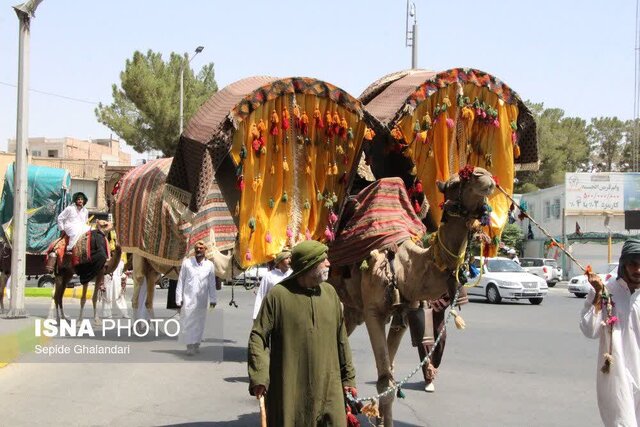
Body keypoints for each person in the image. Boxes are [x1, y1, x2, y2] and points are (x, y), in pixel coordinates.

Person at [248, 240, 357, 426]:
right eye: (323, 260)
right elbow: (258, 337)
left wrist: (349, 378)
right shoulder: (278, 296)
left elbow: (342, 339)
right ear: (309, 265)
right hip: (291, 388)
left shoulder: (330, 293)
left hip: (329, 386)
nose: (329, 263)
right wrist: (259, 376)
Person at [580, 238, 640, 426]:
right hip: (617, 375)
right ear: (623, 264)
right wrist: (598, 295)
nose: (638, 270)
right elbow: (590, 330)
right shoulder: (605, 289)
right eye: (633, 264)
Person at [175, 240, 218, 356]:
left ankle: (196, 344)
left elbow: (211, 284)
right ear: (194, 250)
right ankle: (189, 345)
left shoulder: (209, 265)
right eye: (197, 248)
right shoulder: (187, 263)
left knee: (199, 322)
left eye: (201, 248)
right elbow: (181, 281)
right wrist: (178, 299)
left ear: (205, 250)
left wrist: (213, 299)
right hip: (188, 298)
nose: (198, 250)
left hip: (202, 300)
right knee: (188, 322)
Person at [252, 249, 292, 320]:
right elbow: (261, 295)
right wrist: (256, 316)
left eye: (290, 258)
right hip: (273, 313)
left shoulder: (293, 274)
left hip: (290, 313)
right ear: (280, 261)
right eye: (286, 258)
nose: (289, 260)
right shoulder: (269, 276)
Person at [101, 255, 130, 319]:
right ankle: (107, 314)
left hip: (117, 280)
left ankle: (124, 313)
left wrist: (124, 280)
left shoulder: (121, 262)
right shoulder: (107, 261)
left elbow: (123, 272)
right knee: (107, 296)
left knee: (119, 296)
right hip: (108, 279)